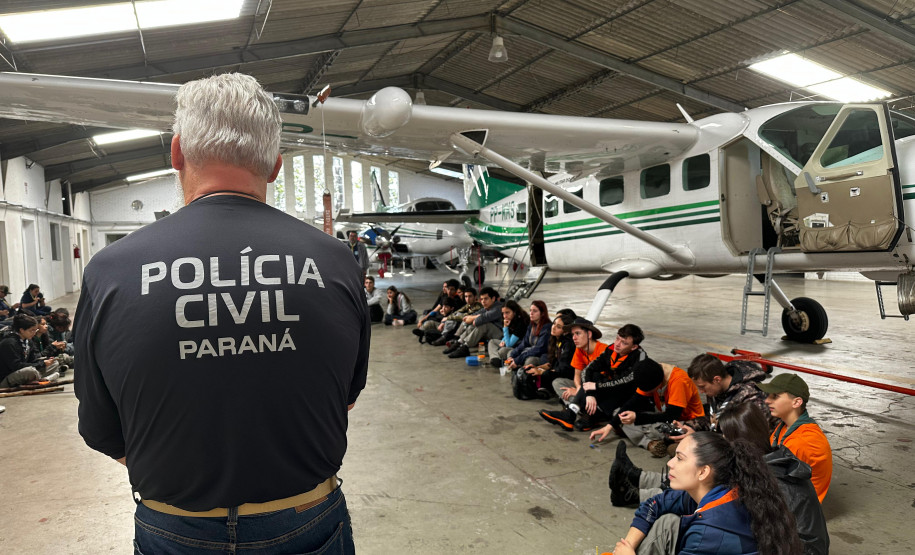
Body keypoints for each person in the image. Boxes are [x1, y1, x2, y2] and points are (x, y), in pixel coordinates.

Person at [74, 73, 368, 554]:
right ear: (274, 166)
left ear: (176, 153)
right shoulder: (335, 260)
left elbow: (99, 425)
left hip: (175, 527)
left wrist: (184, 474)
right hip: (305, 519)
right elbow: (347, 395)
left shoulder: (112, 270)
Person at [614, 432, 802, 555]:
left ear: (703, 472)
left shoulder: (708, 534)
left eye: (679, 459)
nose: (670, 463)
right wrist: (628, 545)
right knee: (667, 521)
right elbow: (654, 504)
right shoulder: (720, 490)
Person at [719, 403, 829, 555]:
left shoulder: (768, 479)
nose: (721, 442)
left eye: (724, 436)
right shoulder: (777, 460)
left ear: (737, 441)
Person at [601, 359, 705, 457]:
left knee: (666, 429)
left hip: (685, 423)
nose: (650, 393)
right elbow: (633, 402)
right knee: (619, 414)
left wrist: (637, 418)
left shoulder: (679, 381)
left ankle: (668, 442)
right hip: (663, 419)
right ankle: (652, 443)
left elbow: (671, 417)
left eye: (651, 390)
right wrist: (610, 425)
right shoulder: (651, 372)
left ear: (659, 383)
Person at [760, 373, 833, 503]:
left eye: (775, 396)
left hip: (798, 508)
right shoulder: (784, 426)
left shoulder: (803, 440)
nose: (767, 400)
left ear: (796, 402)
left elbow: (770, 478)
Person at [681, 353, 771, 433]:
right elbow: (713, 414)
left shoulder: (751, 396)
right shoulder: (718, 389)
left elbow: (753, 437)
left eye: (702, 386)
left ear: (717, 380)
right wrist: (690, 426)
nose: (701, 391)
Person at [522, 312, 575, 397]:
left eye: (558, 327)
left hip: (567, 377)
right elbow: (552, 364)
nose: (553, 327)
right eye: (554, 324)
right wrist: (538, 367)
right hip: (558, 372)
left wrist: (541, 372)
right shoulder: (556, 341)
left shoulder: (568, 345)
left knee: (552, 379)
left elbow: (563, 371)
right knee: (530, 369)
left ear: (565, 332)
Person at [0, 314, 60, 387]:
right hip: (7, 378)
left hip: (24, 372)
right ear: (21, 330)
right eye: (31, 330)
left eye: (35, 330)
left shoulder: (28, 341)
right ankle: (43, 380)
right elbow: (16, 366)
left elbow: (32, 360)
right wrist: (42, 364)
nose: (34, 333)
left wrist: (44, 362)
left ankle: (39, 380)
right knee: (31, 371)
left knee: (54, 363)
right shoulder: (9, 343)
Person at [443, 287, 503, 359]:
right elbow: (472, 316)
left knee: (484, 325)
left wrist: (473, 318)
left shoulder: (498, 308)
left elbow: (479, 320)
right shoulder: (487, 307)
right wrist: (472, 317)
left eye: (486, 299)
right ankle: (459, 342)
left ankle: (465, 347)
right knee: (473, 322)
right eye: (482, 299)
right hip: (491, 335)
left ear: (493, 299)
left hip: (501, 337)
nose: (483, 301)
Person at [504, 300, 550, 370]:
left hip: (540, 355)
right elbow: (524, 343)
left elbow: (539, 349)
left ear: (542, 313)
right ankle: (516, 367)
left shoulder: (547, 327)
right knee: (510, 353)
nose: (531, 313)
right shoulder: (532, 325)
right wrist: (513, 355)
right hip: (529, 351)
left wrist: (518, 359)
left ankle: (521, 372)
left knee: (529, 361)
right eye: (530, 310)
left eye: (535, 311)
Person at [487, 300, 528, 367]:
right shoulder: (510, 319)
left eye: (507, 313)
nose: (505, 316)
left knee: (504, 350)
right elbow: (509, 335)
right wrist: (503, 341)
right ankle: (495, 358)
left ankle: (501, 360)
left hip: (517, 347)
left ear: (514, 312)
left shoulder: (521, 323)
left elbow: (509, 344)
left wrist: (505, 327)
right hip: (511, 343)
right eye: (503, 313)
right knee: (492, 342)